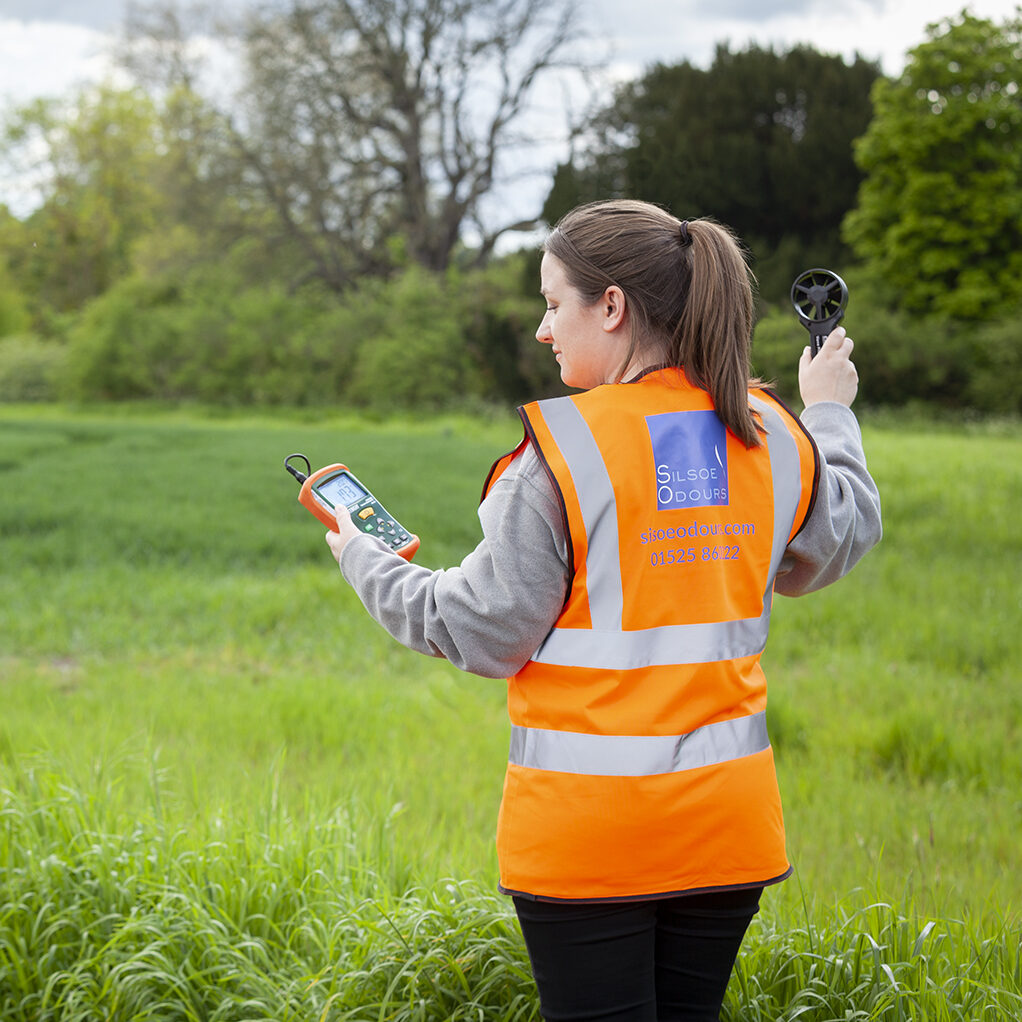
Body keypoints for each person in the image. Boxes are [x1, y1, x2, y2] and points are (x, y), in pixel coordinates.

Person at [324, 199, 882, 1021]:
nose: (544, 330)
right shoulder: (768, 429)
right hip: (726, 832)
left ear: (612, 306)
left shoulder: (560, 454)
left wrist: (360, 558)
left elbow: (482, 628)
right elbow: (841, 535)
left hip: (589, 841)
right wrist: (828, 408)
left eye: (554, 304)